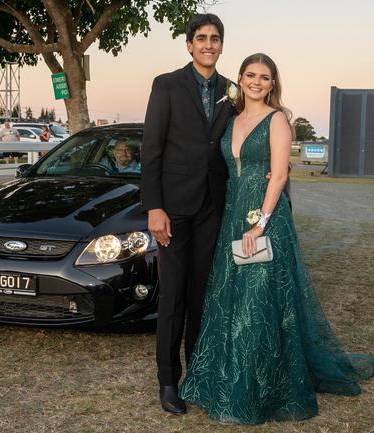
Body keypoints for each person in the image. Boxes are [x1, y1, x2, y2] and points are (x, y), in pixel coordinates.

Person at [178, 53, 374, 424]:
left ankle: (256, 392)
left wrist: (260, 225)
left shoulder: (277, 121)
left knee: (258, 304)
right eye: (251, 75)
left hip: (264, 219)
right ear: (240, 78)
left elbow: (278, 176)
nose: (257, 81)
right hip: (233, 218)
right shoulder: (232, 120)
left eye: (265, 77)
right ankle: (222, 383)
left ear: (273, 83)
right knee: (230, 301)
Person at [140, 13, 236, 415]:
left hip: (213, 208)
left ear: (221, 44)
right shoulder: (166, 85)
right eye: (201, 38)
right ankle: (168, 381)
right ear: (189, 44)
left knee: (201, 297)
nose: (208, 44)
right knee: (174, 297)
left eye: (215, 38)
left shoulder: (233, 92)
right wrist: (154, 207)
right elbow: (151, 150)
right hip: (173, 210)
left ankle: (198, 374)